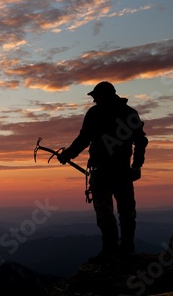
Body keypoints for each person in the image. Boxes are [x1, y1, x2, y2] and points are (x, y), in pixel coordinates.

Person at [57, 81, 148, 258]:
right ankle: (124, 250)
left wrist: (67, 155)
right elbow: (141, 141)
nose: (93, 101)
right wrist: (136, 166)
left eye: (95, 97)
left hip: (105, 173)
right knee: (125, 213)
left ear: (104, 95)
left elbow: (83, 139)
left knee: (108, 213)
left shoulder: (97, 114)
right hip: (120, 172)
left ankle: (112, 250)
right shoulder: (128, 114)